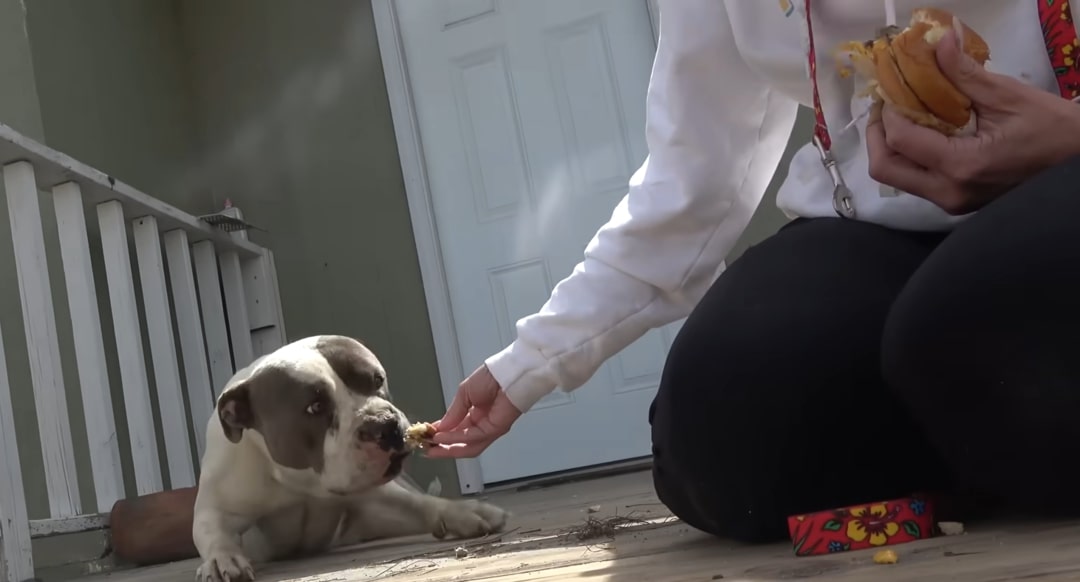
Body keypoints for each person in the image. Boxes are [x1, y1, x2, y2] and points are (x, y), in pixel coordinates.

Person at [426, 0, 1080, 543]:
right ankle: (991, 444)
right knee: (723, 431)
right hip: (873, 227)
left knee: (974, 328)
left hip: (1061, 171)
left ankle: (999, 424)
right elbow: (691, 178)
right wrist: (530, 361)